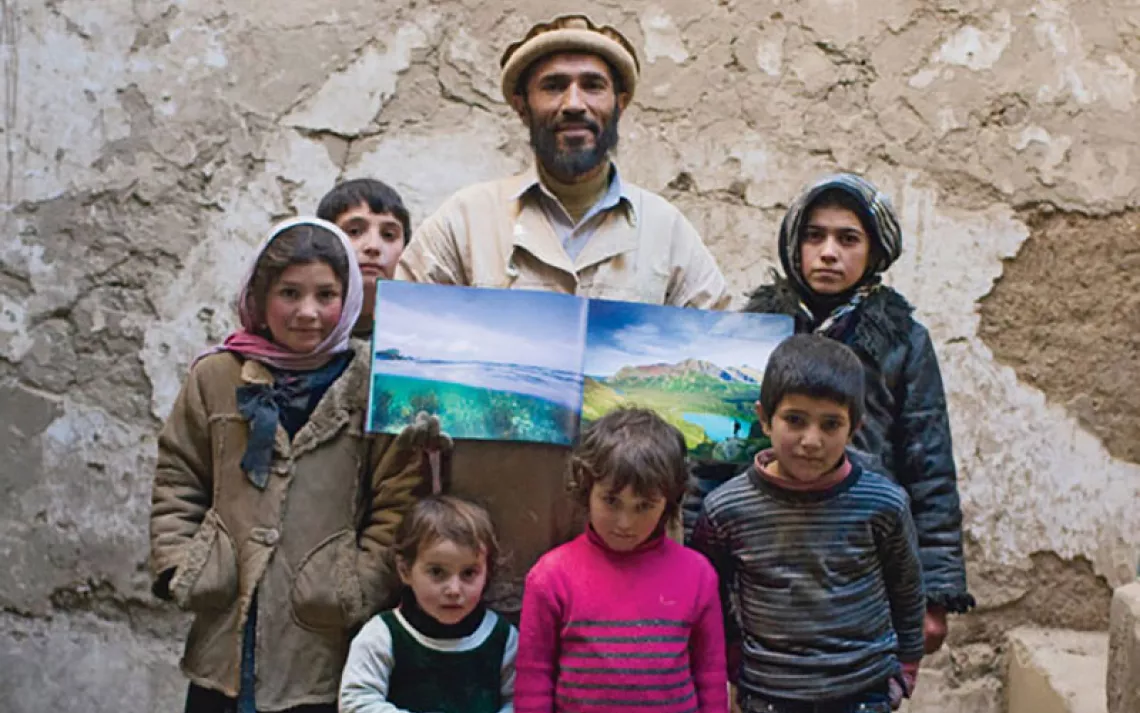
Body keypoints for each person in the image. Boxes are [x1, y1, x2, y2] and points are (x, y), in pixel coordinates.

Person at [395, 13, 730, 618]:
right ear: (523, 106)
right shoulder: (464, 221)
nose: (574, 102)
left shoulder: (669, 233)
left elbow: (715, 388)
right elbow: (404, 364)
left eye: (593, 85)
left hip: (630, 555)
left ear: (619, 102)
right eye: (553, 86)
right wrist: (416, 411)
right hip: (486, 556)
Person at [149, 217, 446, 713]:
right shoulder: (217, 376)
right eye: (289, 292)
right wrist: (186, 564)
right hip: (227, 627)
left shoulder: (374, 385)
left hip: (322, 631)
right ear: (260, 297)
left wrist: (356, 584)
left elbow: (397, 501)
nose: (307, 312)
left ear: (348, 301)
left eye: (326, 295)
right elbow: (179, 475)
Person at [697, 173, 973, 652]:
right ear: (794, 244)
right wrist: (695, 572)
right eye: (814, 235)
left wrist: (935, 592)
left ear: (874, 251)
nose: (829, 252)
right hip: (765, 555)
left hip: (860, 554)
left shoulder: (903, 343)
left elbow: (930, 467)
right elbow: (711, 458)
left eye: (848, 239)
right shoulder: (752, 334)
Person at [692, 334, 926, 713]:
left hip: (862, 689)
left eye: (831, 424)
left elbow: (907, 588)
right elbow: (711, 592)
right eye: (795, 420)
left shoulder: (883, 504)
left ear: (854, 429)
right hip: (770, 692)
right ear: (764, 418)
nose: (811, 440)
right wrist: (732, 657)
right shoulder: (726, 508)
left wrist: (907, 666)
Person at [515, 407, 727, 713]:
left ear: (669, 502)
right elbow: (534, 681)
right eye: (611, 501)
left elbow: (710, 677)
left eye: (644, 506)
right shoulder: (551, 576)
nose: (625, 522)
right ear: (586, 488)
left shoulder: (698, 575)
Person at [339, 495, 517, 713]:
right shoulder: (381, 636)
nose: (454, 589)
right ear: (405, 570)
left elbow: (519, 701)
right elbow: (355, 702)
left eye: (468, 573)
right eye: (437, 572)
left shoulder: (503, 638)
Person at [316, 178, 413, 337]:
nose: (373, 246)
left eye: (388, 235)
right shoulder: (300, 325)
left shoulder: (416, 336)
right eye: (354, 232)